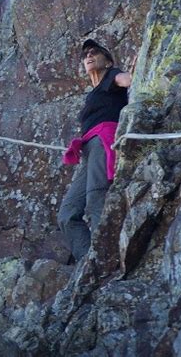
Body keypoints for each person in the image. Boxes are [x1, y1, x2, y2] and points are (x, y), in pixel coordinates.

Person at [58, 39, 132, 261]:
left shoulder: (111, 75)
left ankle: (107, 258)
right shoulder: (93, 93)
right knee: (67, 214)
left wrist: (133, 75)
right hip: (89, 149)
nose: (88, 56)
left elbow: (126, 80)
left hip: (103, 140)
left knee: (96, 197)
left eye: (95, 52)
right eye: (85, 54)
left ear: (107, 61)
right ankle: (88, 262)